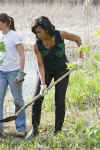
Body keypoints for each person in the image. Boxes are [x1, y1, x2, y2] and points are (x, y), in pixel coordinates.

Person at [26, 16, 82, 139]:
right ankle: (34, 130)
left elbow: (78, 39)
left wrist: (80, 58)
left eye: (39, 31)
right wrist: (43, 84)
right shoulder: (37, 45)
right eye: (35, 32)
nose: (37, 34)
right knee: (37, 99)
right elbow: (40, 65)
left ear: (46, 29)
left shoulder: (60, 35)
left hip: (62, 70)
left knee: (59, 101)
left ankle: (57, 132)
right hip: (45, 70)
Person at [0, 13, 26, 137]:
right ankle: (0, 129)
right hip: (1, 73)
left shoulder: (15, 36)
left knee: (18, 100)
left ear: (5, 23)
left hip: (14, 72)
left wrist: (21, 73)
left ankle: (21, 128)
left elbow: (22, 55)